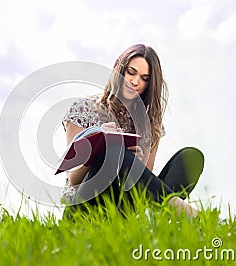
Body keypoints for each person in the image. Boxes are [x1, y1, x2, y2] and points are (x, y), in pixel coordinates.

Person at [61, 44, 204, 218]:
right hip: (84, 207)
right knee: (114, 150)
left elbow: (144, 185)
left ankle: (160, 221)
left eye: (144, 78)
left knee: (190, 157)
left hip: (125, 209)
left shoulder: (150, 124)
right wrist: (99, 144)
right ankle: (181, 210)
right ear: (119, 71)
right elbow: (73, 179)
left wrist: (134, 160)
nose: (135, 82)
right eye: (131, 72)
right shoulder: (84, 108)